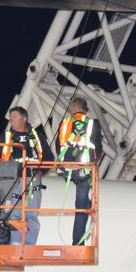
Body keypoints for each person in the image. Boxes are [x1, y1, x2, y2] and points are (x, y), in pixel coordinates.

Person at [0, 106, 51, 245]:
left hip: (32, 180)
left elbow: (49, 158)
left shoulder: (37, 137)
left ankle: (28, 246)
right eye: (10, 117)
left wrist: (42, 172)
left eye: (14, 117)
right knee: (13, 214)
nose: (11, 119)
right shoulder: (4, 137)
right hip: (11, 181)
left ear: (24, 119)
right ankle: (15, 245)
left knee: (31, 215)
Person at [56, 97, 103, 245]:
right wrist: (92, 163)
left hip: (68, 168)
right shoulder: (93, 123)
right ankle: (78, 241)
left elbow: (59, 145)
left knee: (81, 203)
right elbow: (98, 147)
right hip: (84, 169)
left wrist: (64, 164)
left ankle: (86, 206)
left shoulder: (65, 123)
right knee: (81, 206)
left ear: (74, 108)